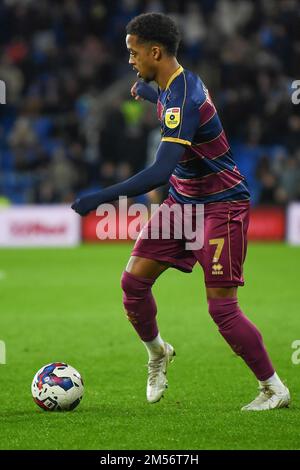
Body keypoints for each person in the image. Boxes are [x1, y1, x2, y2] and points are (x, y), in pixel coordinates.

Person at [72, 13, 290, 411]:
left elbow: (158, 171)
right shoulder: (172, 88)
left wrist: (97, 199)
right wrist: (151, 94)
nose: (130, 60)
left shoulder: (183, 96)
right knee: (132, 284)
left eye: (134, 52)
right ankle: (158, 352)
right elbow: (173, 109)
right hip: (184, 202)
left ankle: (273, 387)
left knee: (221, 308)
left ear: (155, 51)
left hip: (221, 205)